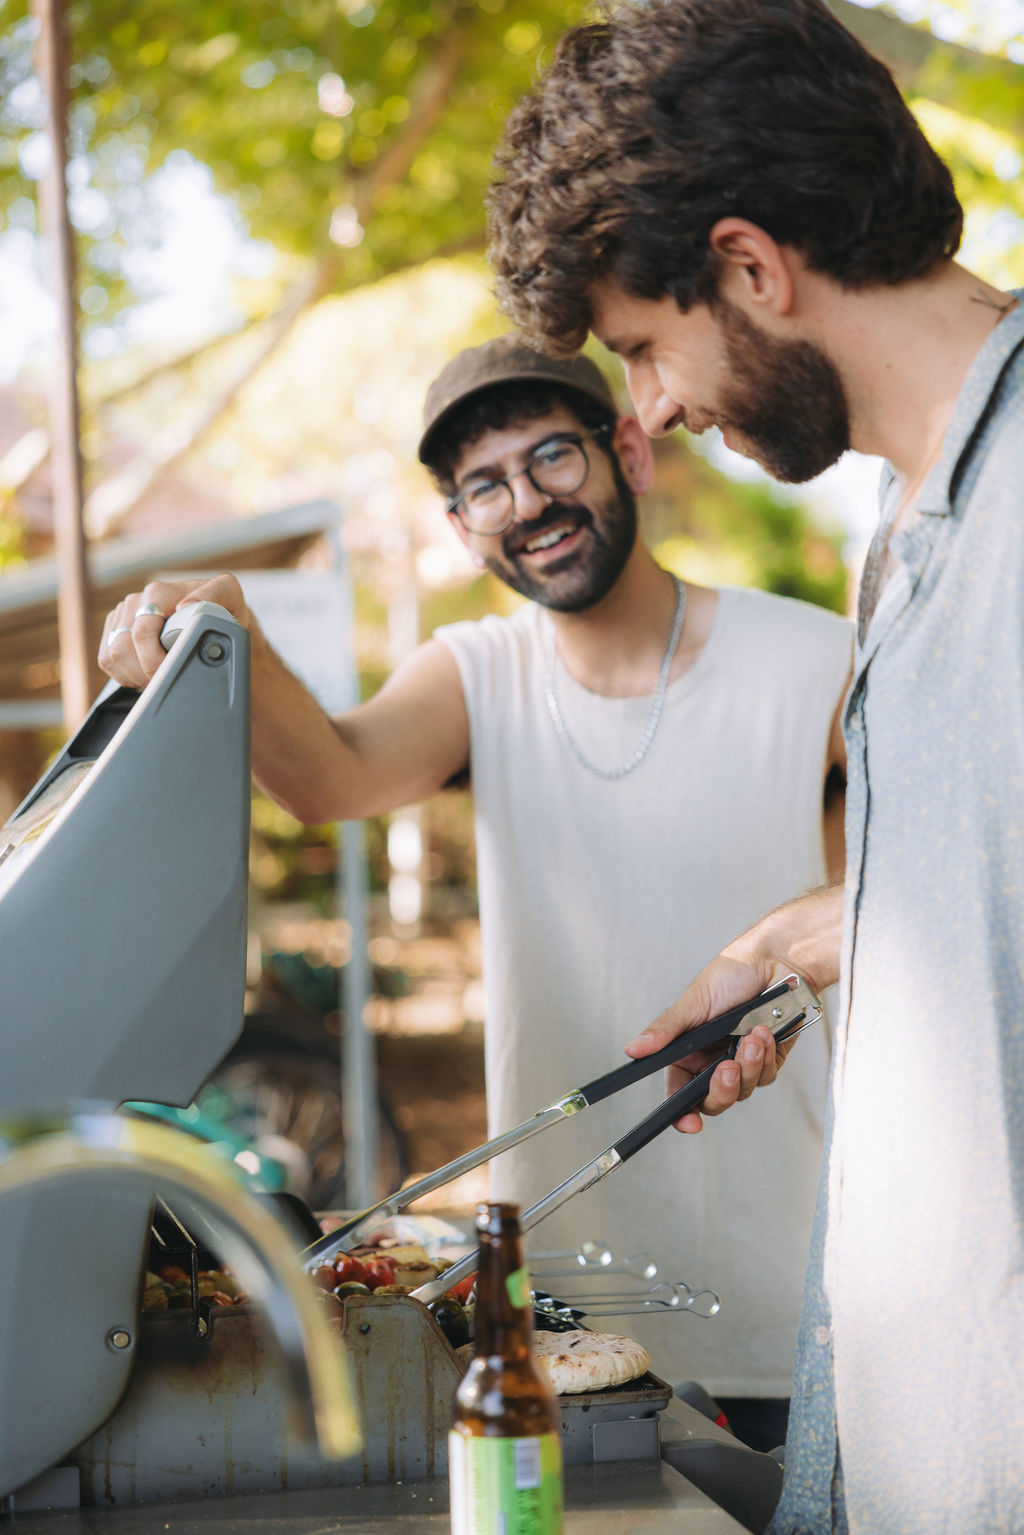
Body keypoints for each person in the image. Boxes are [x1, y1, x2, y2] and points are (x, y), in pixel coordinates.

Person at [98, 336, 851, 1452]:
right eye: (484, 484)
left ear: (630, 449)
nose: (526, 500)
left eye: (552, 455)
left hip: (803, 1293)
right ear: (461, 527)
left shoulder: (816, 660)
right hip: (547, 1313)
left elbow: (915, 900)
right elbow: (331, 777)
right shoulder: (478, 671)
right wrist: (232, 642)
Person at [486, 2, 1024, 1531]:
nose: (650, 407)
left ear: (748, 266)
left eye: (643, 348)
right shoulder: (904, 539)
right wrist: (826, 932)